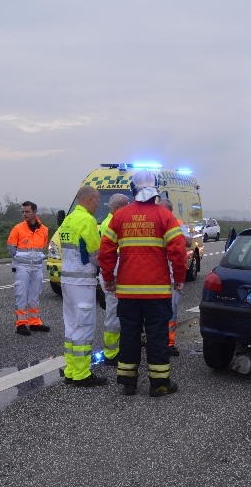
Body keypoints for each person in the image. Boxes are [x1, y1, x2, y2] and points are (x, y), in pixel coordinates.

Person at [100, 170, 187, 397]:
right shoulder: (165, 217)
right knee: (157, 336)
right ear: (155, 187)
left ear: (132, 188)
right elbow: (178, 251)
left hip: (128, 291)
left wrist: (108, 278)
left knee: (129, 335)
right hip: (157, 292)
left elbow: (106, 251)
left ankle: (128, 383)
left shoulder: (120, 216)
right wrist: (179, 279)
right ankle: (159, 384)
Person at [59, 186, 107, 387]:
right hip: (82, 282)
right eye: (97, 200)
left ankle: (71, 370)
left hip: (67, 281)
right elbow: (96, 254)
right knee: (84, 327)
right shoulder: (86, 220)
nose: (98, 204)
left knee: (71, 327)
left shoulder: (68, 219)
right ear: (89, 199)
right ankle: (82, 374)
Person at [7, 201, 49, 335]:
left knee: (34, 296)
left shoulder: (44, 229)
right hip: (23, 267)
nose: (24, 214)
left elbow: (43, 247)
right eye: (23, 212)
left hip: (37, 267)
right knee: (21, 294)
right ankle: (21, 324)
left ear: (34, 212)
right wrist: (20, 260)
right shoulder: (18, 228)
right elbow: (11, 248)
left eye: (27, 211)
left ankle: (35, 322)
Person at [98, 193, 130, 366]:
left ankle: (116, 348)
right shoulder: (112, 223)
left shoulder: (112, 221)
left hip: (115, 273)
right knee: (113, 314)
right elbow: (110, 254)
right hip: (114, 274)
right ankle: (110, 353)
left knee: (119, 313)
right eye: (127, 205)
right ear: (119, 207)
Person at [159, 198, 187, 357]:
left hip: (170, 275)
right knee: (156, 311)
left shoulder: (177, 223)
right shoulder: (155, 221)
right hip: (157, 276)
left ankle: (168, 343)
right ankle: (156, 340)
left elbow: (183, 247)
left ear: (168, 210)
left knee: (171, 311)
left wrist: (179, 278)